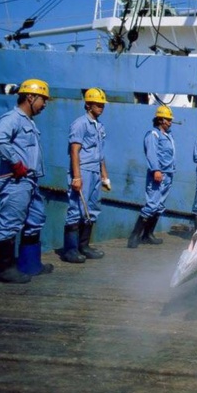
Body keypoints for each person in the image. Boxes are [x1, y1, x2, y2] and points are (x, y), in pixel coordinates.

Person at [0, 79, 54, 283]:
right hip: (16, 181)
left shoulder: (29, 122)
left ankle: (30, 264)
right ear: (30, 97)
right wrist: (16, 163)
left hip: (30, 181)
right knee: (10, 222)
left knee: (36, 219)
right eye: (43, 100)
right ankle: (4, 269)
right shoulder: (13, 118)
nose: (45, 105)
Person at [61, 88, 111, 263]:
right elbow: (75, 151)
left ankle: (84, 245)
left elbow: (101, 154)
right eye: (98, 104)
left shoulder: (99, 126)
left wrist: (105, 176)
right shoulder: (80, 124)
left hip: (95, 171)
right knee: (76, 209)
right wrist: (77, 176)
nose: (101, 107)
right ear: (88, 105)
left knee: (92, 208)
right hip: (83, 170)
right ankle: (70, 250)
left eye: (102, 105)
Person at [127, 105, 176, 248]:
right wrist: (156, 170)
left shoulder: (168, 135)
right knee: (152, 204)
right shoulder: (153, 135)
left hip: (168, 174)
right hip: (158, 174)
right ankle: (134, 237)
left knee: (159, 205)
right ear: (160, 120)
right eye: (168, 120)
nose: (170, 122)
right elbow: (152, 153)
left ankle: (147, 235)